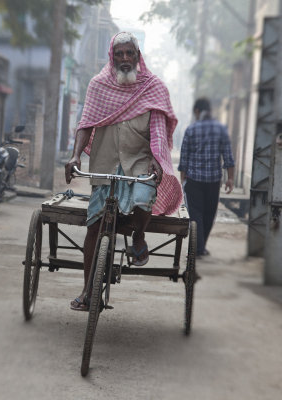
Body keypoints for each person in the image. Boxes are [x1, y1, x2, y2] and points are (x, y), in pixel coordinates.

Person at [65, 32, 182, 311]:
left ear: (138, 56)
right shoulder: (98, 85)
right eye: (120, 54)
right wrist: (74, 155)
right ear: (112, 56)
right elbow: (86, 124)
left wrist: (158, 160)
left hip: (140, 162)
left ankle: (138, 235)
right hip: (105, 164)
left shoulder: (152, 87)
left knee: (144, 198)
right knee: (94, 225)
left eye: (130, 53)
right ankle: (87, 292)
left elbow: (157, 132)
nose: (126, 58)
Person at [178, 97, 235, 258]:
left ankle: (198, 247)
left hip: (194, 179)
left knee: (195, 213)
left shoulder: (191, 129)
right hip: (213, 180)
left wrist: (183, 178)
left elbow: (184, 157)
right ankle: (200, 247)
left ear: (197, 111)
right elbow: (228, 156)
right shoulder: (220, 129)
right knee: (209, 213)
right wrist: (230, 178)